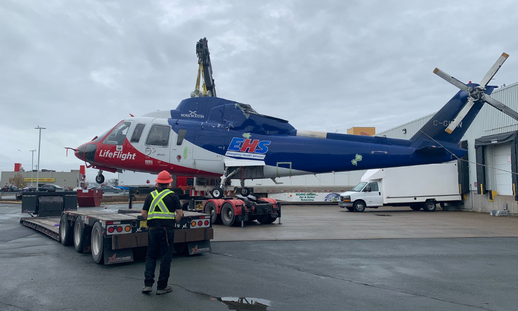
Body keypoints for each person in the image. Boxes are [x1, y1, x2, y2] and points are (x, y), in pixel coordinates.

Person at [141, 170, 183, 295]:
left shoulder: (150, 195)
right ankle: (161, 287)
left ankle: (148, 285)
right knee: (165, 258)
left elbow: (144, 214)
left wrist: (153, 220)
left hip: (153, 230)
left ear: (157, 183)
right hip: (167, 231)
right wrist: (171, 221)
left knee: (151, 256)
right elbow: (179, 214)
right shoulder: (173, 196)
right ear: (169, 184)